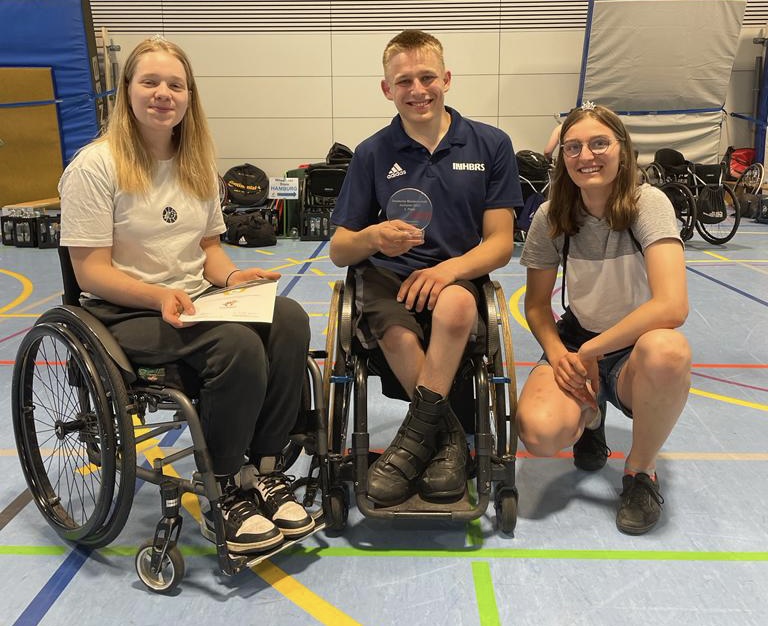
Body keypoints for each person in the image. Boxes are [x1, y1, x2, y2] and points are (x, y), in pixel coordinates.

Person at [58, 36, 314, 554]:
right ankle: (222, 488)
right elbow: (90, 273)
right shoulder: (94, 167)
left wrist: (231, 279)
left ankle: (263, 469)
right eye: (149, 82)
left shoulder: (196, 161)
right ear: (125, 91)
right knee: (236, 348)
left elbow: (209, 249)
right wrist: (156, 296)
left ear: (189, 96)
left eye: (175, 84)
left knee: (288, 318)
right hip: (122, 311)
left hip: (194, 299)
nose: (163, 93)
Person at [329, 30, 522, 507]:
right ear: (386, 89)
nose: (417, 89)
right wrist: (374, 237)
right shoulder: (373, 152)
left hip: (457, 272)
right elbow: (339, 248)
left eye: (427, 77)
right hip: (386, 277)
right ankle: (448, 442)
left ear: (447, 79)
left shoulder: (491, 144)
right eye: (404, 81)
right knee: (393, 332)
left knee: (456, 305)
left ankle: (417, 443)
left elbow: (499, 244)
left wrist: (448, 270)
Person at [517, 102, 691, 535]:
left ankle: (640, 472)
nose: (586, 156)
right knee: (539, 434)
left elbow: (672, 306)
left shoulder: (647, 204)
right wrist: (560, 353)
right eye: (573, 147)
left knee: (668, 350)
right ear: (563, 159)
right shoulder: (551, 215)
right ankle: (591, 417)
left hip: (636, 347)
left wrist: (593, 352)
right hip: (578, 337)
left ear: (622, 149)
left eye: (599, 143)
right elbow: (537, 305)